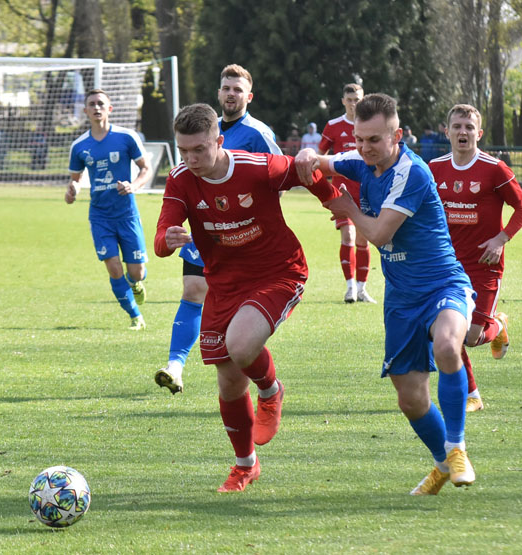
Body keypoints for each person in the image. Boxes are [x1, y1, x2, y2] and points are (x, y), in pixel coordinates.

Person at [296, 93, 477, 496]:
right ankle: (441, 462)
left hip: (442, 284)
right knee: (410, 400)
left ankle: (457, 448)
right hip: (400, 299)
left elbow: (377, 234)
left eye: (373, 140)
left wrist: (346, 208)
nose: (363, 148)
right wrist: (309, 159)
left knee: (448, 347)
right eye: (359, 139)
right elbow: (323, 161)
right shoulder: (361, 161)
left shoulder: (412, 172)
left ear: (397, 135)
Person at [155, 103, 337, 492]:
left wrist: (339, 206)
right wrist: (167, 239)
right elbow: (162, 233)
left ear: (218, 141)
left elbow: (308, 172)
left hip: (278, 273)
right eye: (183, 151)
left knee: (240, 345)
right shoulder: (181, 179)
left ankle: (271, 391)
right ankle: (245, 466)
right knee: (229, 383)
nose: (190, 159)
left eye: (199, 150)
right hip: (224, 283)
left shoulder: (257, 166)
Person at [154, 64, 283, 395]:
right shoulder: (203, 130)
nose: (231, 93)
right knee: (194, 288)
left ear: (248, 96)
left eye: (238, 89)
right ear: (218, 93)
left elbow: (279, 181)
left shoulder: (258, 134)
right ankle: (176, 365)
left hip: (244, 237)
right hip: (205, 230)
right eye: (226, 87)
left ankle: (261, 378)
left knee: (234, 316)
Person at [429, 104, 522, 413]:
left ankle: (497, 327)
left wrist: (501, 239)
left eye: (469, 127)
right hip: (447, 265)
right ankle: (472, 394)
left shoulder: (494, 169)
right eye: (457, 126)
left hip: (484, 264)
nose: (463, 132)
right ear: (446, 131)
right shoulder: (434, 168)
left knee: (473, 336)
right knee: (450, 330)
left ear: (479, 133)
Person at [66, 89, 151, 330]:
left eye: (101, 103)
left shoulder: (126, 137)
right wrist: (73, 189)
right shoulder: (80, 146)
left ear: (109, 109)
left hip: (126, 213)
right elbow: (74, 179)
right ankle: (135, 316)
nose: (96, 108)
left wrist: (133, 186)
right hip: (100, 215)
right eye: (91, 104)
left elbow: (146, 168)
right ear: (85, 111)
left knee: (136, 271)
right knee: (114, 267)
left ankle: (135, 284)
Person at [320, 83, 376, 303]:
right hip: (342, 193)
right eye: (350, 99)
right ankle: (350, 287)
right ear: (343, 101)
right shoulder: (333, 126)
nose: (354, 103)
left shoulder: (372, 125)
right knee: (349, 237)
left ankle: (362, 289)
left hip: (367, 193)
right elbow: (319, 155)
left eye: (357, 99)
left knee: (364, 241)